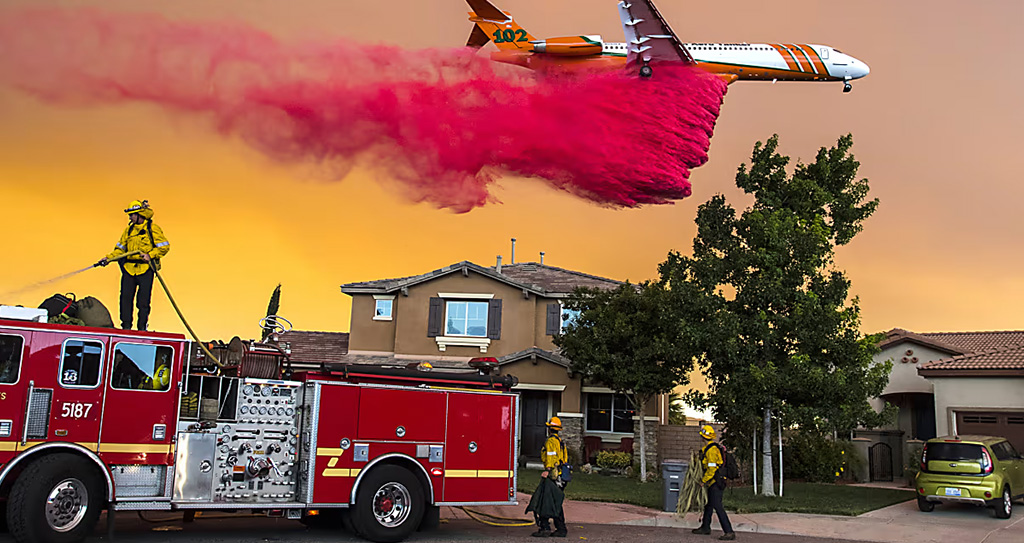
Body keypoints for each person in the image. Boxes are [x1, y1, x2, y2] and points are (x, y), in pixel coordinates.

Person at [97, 200, 170, 331]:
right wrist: (108, 258)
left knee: (143, 301)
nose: (130, 218)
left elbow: (164, 247)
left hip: (145, 269)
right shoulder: (128, 231)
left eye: (132, 215)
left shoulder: (153, 229)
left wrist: (150, 255)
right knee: (125, 299)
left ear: (140, 214)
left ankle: (142, 327)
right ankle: (126, 327)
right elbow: (120, 250)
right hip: (128, 269)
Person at [527, 416, 568, 537]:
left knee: (546, 500)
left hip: (554, 476)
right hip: (561, 475)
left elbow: (551, 458)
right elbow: (563, 459)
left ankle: (546, 527)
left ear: (549, 429)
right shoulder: (560, 441)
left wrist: (548, 472)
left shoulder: (551, 441)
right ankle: (560, 529)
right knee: (554, 502)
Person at [692, 425, 735, 540]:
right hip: (715, 481)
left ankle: (729, 531)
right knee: (709, 505)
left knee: (717, 506)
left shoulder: (711, 451)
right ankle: (705, 527)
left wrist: (703, 481)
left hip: (716, 481)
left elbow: (712, 468)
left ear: (703, 437)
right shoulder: (709, 448)